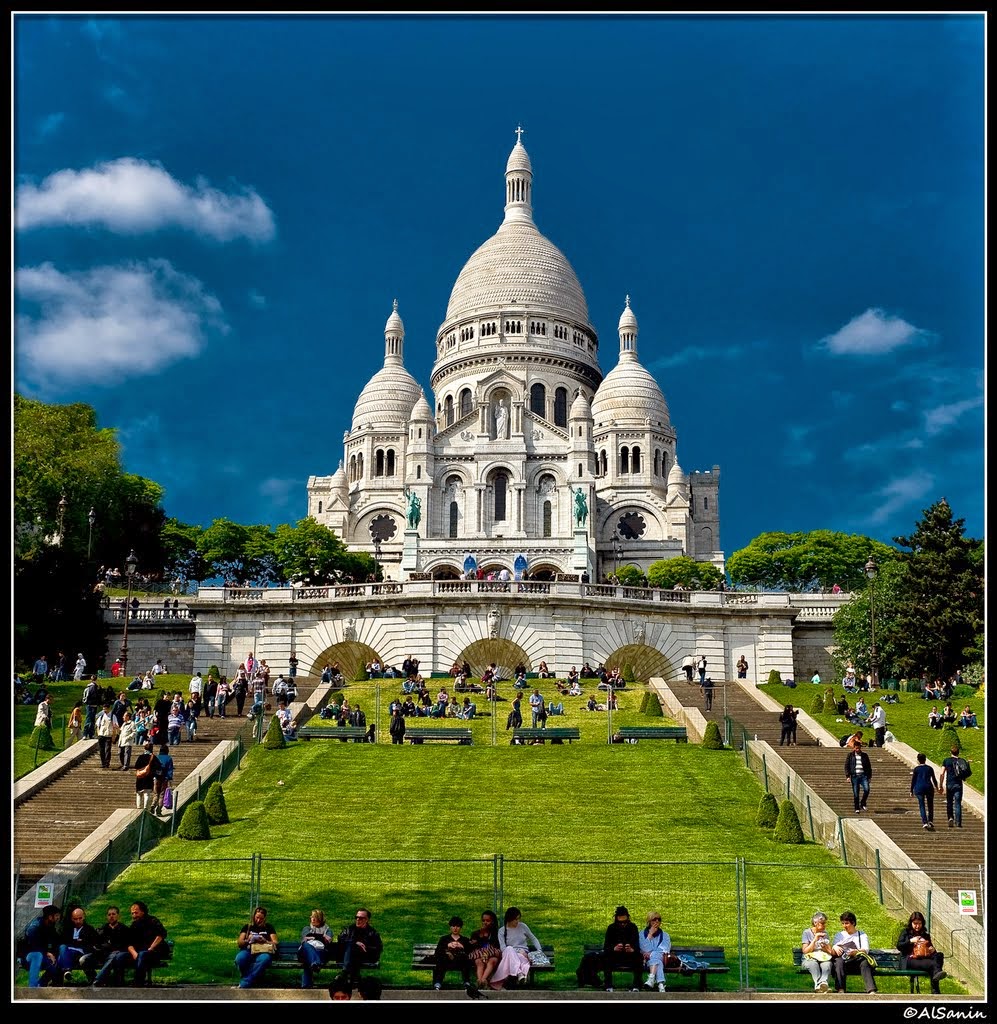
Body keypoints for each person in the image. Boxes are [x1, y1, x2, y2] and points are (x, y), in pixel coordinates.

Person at [490, 907, 542, 989]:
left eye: (518, 919)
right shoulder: (502, 931)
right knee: (509, 949)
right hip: (509, 954)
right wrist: (516, 951)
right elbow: (503, 948)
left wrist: (539, 950)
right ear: (509, 919)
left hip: (522, 953)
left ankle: (515, 978)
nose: (517, 921)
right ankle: (519, 973)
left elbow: (533, 938)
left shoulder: (523, 926)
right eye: (515, 919)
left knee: (519, 957)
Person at [896, 911, 946, 994]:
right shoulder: (906, 932)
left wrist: (932, 950)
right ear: (911, 923)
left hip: (923, 958)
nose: (917, 926)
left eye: (919, 923)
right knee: (933, 965)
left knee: (939, 955)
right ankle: (935, 989)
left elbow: (930, 949)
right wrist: (910, 941)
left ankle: (937, 974)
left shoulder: (925, 935)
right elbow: (899, 946)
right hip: (910, 960)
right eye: (915, 923)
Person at [831, 911, 877, 993]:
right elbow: (834, 951)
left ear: (853, 923)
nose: (844, 926)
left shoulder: (861, 935)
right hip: (843, 962)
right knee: (838, 961)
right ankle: (840, 989)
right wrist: (834, 947)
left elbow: (865, 950)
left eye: (847, 923)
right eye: (843, 923)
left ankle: (871, 990)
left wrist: (856, 952)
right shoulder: (839, 935)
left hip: (856, 962)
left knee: (865, 962)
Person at [125, 901, 167, 986]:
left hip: (154, 952)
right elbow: (129, 943)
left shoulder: (152, 921)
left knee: (143, 955)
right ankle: (117, 982)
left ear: (143, 912)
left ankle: (138, 982)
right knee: (120, 957)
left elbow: (161, 934)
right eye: (132, 913)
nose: (134, 915)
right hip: (139, 953)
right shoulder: (134, 925)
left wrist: (151, 948)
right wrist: (134, 953)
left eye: (136, 913)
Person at [88, 905, 132, 986]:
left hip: (116, 954)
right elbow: (96, 943)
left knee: (113, 956)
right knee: (84, 959)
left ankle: (98, 980)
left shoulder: (124, 929)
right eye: (109, 914)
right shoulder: (103, 929)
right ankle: (94, 979)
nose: (111, 916)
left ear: (118, 916)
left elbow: (125, 945)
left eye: (113, 914)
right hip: (102, 954)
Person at [603, 905, 643, 992]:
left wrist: (632, 949)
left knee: (639, 957)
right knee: (606, 958)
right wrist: (614, 948)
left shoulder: (633, 927)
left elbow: (637, 946)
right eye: (620, 922)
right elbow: (606, 947)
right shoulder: (611, 928)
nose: (622, 924)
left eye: (625, 922)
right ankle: (608, 985)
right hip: (615, 956)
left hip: (629, 956)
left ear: (628, 918)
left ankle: (636, 985)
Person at [236, 906, 278, 988]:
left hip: (263, 951)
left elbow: (275, 942)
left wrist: (265, 940)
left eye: (261, 919)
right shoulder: (248, 927)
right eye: (257, 917)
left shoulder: (269, 927)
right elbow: (240, 942)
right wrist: (248, 940)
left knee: (264, 959)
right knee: (240, 958)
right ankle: (250, 980)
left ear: (265, 918)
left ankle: (246, 982)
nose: (258, 920)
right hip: (248, 950)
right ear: (253, 916)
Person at [57, 906, 99, 983]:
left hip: (81, 953)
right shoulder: (68, 929)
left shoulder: (89, 929)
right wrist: (77, 941)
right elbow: (62, 941)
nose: (78, 921)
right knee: (62, 948)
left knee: (60, 958)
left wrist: (76, 942)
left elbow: (91, 942)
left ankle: (64, 974)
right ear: (71, 919)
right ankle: (66, 972)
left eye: (80, 918)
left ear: (84, 917)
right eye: (75, 919)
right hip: (68, 952)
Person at [338, 908, 382, 982]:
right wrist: (355, 942)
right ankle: (353, 977)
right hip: (348, 955)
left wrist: (364, 947)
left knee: (354, 949)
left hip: (365, 955)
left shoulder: (372, 933)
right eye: (356, 917)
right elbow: (340, 939)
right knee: (352, 947)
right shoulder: (349, 929)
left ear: (367, 919)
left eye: (361, 918)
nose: (358, 919)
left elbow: (377, 948)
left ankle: (345, 973)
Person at [22, 904, 62, 987]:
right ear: (50, 917)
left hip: (43, 956)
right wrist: (47, 953)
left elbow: (57, 941)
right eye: (56, 916)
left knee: (56, 963)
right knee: (37, 955)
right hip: (27, 956)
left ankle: (41, 985)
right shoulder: (34, 927)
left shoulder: (50, 927)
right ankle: (32, 987)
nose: (58, 918)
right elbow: (33, 946)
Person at [432, 915, 473, 991]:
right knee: (441, 959)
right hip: (446, 961)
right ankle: (438, 982)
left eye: (457, 926)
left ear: (460, 927)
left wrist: (462, 946)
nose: (455, 928)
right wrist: (447, 946)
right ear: (450, 927)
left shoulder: (465, 940)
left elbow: (470, 953)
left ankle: (466, 982)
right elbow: (437, 952)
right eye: (453, 926)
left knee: (466, 959)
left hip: (460, 962)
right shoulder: (444, 939)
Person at [298, 908, 334, 989]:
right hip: (305, 952)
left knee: (309, 959)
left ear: (320, 919)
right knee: (307, 946)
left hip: (320, 953)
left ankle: (306, 985)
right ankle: (316, 963)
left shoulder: (328, 930)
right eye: (312, 917)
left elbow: (327, 941)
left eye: (315, 917)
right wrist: (322, 937)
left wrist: (314, 937)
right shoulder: (307, 928)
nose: (312, 919)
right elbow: (306, 938)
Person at [800, 910, 834, 992]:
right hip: (809, 958)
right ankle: (819, 985)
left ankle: (823, 983)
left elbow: (830, 951)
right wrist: (815, 939)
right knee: (813, 964)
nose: (824, 925)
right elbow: (805, 951)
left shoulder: (825, 933)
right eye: (822, 923)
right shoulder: (806, 932)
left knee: (827, 964)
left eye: (825, 923)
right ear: (815, 923)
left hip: (822, 958)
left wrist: (825, 947)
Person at [938, 745, 970, 828]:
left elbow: (942, 773)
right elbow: (965, 773)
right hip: (958, 784)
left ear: (950, 752)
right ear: (958, 753)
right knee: (958, 803)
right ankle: (958, 822)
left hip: (949, 784)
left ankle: (950, 818)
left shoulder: (946, 761)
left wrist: (940, 785)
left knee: (949, 802)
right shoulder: (962, 761)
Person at [469, 910, 502, 989]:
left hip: (492, 955)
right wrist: (481, 936)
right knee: (479, 962)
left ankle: (483, 979)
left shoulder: (496, 933)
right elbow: (473, 946)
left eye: (487, 921)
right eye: (483, 921)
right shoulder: (476, 933)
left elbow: (496, 945)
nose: (485, 923)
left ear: (492, 922)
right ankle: (480, 980)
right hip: (480, 955)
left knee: (492, 961)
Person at [639, 911, 671, 992]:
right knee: (657, 961)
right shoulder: (642, 934)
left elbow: (664, 949)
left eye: (659, 919)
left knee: (656, 956)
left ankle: (651, 979)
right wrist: (650, 934)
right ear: (649, 921)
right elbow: (644, 948)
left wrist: (651, 953)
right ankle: (660, 984)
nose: (657, 921)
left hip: (660, 957)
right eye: (654, 919)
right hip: (646, 960)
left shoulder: (665, 935)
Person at [910, 752, 940, 830]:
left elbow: (913, 780)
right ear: (925, 760)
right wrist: (937, 787)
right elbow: (934, 779)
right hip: (929, 787)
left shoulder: (916, 769)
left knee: (922, 805)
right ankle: (930, 820)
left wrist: (911, 790)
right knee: (930, 804)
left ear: (918, 760)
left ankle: (925, 822)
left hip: (919, 788)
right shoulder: (929, 768)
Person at [844, 741, 872, 813]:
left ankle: (863, 803)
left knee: (867, 789)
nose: (858, 750)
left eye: (859, 748)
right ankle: (857, 807)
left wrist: (869, 777)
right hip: (855, 776)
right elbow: (847, 766)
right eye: (856, 748)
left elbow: (869, 766)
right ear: (853, 748)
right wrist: (848, 776)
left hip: (863, 775)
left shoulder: (864, 755)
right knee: (856, 793)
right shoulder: (850, 755)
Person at [134, 742, 158, 811]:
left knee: (139, 793)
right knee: (147, 794)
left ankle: (138, 807)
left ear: (144, 749)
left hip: (140, 777)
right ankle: (145, 808)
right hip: (149, 777)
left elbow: (136, 766)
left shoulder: (140, 757)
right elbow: (157, 766)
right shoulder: (153, 757)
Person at [95, 702, 118, 768]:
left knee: (107, 750)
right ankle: (103, 763)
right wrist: (98, 734)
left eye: (105, 709)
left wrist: (114, 736)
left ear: (108, 709)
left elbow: (115, 726)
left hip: (108, 735)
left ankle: (107, 763)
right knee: (101, 750)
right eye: (103, 709)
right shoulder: (101, 716)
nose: (104, 710)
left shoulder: (113, 716)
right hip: (101, 735)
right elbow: (97, 726)